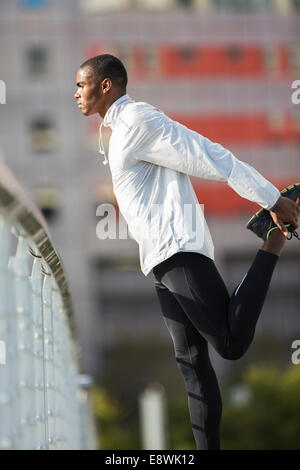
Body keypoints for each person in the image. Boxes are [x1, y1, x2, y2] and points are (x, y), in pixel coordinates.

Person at [74, 54, 300, 450]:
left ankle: (273, 242)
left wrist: (271, 199)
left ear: (105, 85)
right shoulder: (115, 132)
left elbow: (210, 155)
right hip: (159, 261)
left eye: (81, 84)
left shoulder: (138, 120)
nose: (76, 93)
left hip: (178, 248)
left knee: (230, 344)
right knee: (192, 367)